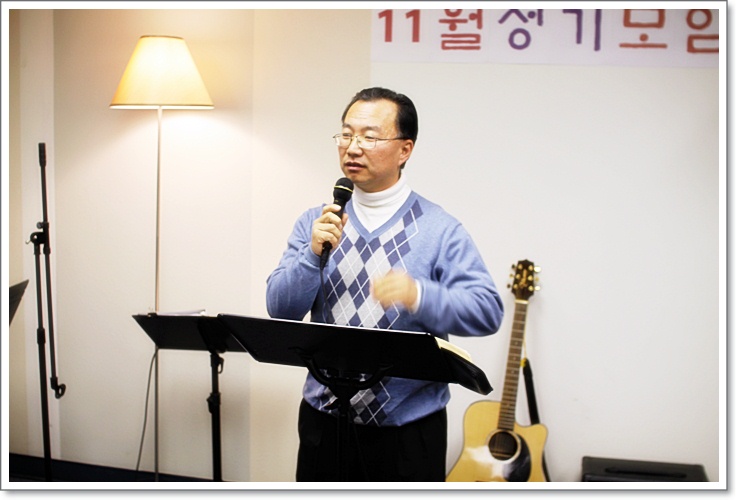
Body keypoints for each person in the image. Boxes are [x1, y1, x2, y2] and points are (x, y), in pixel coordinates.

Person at [266, 87, 504, 482]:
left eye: (369, 137)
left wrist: (419, 295)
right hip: (324, 421)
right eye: (346, 134)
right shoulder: (316, 221)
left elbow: (487, 311)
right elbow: (280, 308)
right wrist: (311, 255)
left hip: (406, 433)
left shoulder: (439, 229)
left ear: (404, 149)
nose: (352, 147)